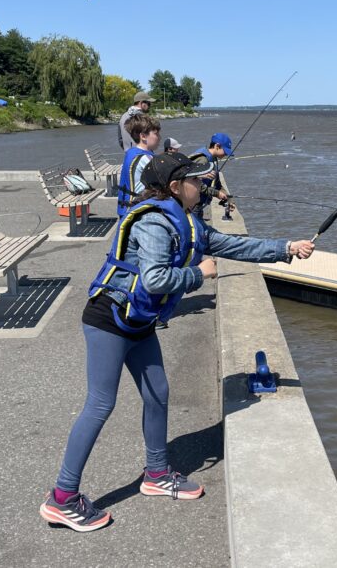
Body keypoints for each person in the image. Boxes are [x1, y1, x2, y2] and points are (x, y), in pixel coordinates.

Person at [39, 152, 315, 532]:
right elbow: (155, 280)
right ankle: (63, 497)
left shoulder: (188, 221)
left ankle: (156, 474)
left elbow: (232, 246)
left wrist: (285, 249)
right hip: (109, 319)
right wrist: (198, 274)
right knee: (100, 404)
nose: (202, 185)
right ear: (174, 187)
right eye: (196, 180)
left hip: (138, 321)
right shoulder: (154, 222)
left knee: (158, 394)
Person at [117, 103, 161, 216]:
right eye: (156, 134)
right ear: (143, 136)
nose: (159, 137)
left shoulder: (131, 152)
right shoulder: (145, 159)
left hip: (125, 209)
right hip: (137, 211)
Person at [189, 132, 234, 218]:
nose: (226, 154)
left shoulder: (213, 159)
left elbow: (217, 183)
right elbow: (194, 184)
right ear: (217, 146)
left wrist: (229, 199)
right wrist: (217, 193)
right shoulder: (202, 160)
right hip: (192, 206)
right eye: (225, 151)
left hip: (199, 205)